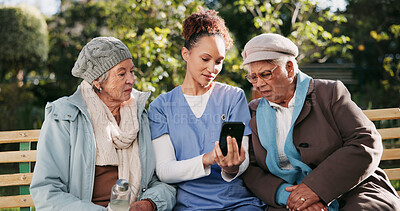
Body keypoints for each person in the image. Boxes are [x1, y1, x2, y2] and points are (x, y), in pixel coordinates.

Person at [240, 33, 400, 211]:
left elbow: (365, 141)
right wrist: (289, 197)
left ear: (290, 68)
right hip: (288, 199)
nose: (258, 84)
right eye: (253, 77)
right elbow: (251, 169)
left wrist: (316, 188)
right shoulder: (253, 111)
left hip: (352, 189)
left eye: (265, 74)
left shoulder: (329, 93)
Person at [30, 37, 176, 211]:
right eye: (122, 74)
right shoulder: (64, 117)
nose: (131, 79)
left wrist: (149, 204)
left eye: (132, 71)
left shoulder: (139, 116)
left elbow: (157, 181)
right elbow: (47, 191)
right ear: (98, 81)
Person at [148, 8, 266, 210]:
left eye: (219, 61)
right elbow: (165, 170)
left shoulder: (233, 97)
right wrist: (207, 159)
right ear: (186, 54)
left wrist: (232, 167)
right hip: (189, 205)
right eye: (205, 59)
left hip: (237, 203)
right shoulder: (161, 107)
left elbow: (242, 159)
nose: (213, 69)